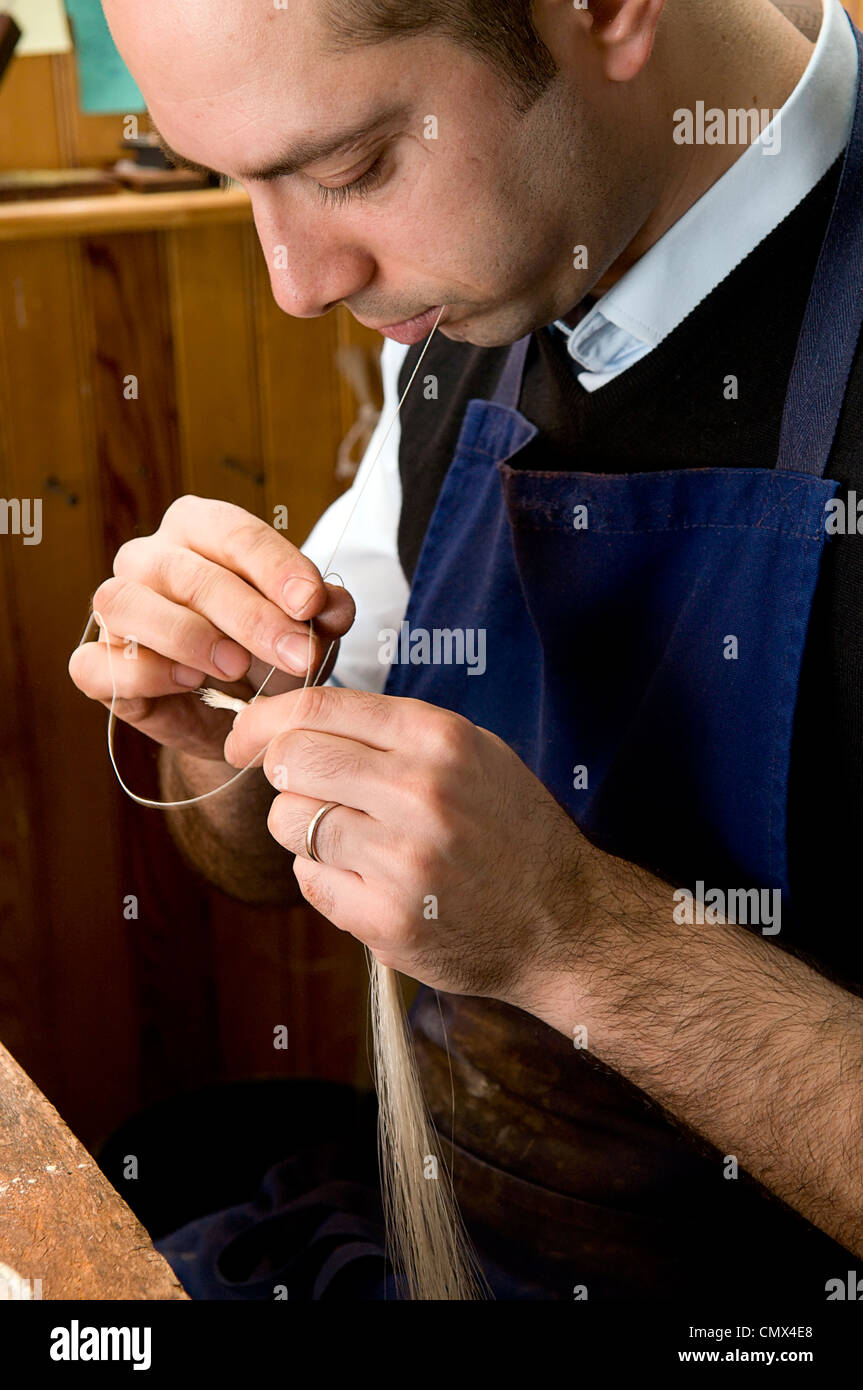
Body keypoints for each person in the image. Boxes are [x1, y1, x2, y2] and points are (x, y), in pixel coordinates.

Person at [70, 0, 863, 1299]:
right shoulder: (470, 302)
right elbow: (257, 847)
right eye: (239, 182)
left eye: (349, 168)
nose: (295, 281)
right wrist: (232, 744)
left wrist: (579, 939)